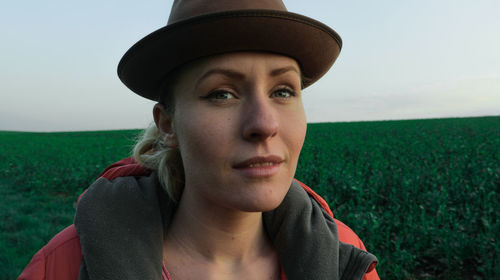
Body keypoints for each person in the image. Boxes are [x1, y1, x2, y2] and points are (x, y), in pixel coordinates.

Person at [19, 0, 379, 279]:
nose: (264, 124)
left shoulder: (343, 254)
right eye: (221, 94)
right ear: (168, 125)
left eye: (283, 91)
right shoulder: (61, 266)